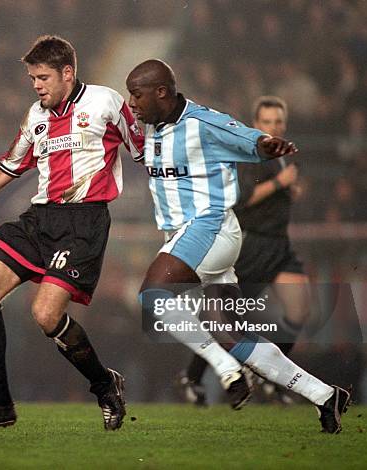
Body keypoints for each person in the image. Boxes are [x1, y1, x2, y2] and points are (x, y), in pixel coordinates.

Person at [126, 59, 351, 433]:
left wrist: (266, 144)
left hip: (208, 228)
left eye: (137, 95)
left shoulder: (201, 122)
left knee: (153, 296)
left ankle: (229, 372)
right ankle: (325, 396)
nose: (132, 103)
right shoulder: (151, 127)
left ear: (161, 92)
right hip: (193, 237)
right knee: (229, 333)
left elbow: (246, 137)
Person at [0, 36, 144, 431]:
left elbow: (144, 149)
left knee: (45, 314)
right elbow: (9, 165)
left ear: (67, 73)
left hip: (84, 222)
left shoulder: (105, 102)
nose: (36, 85)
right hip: (40, 218)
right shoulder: (36, 115)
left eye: (43, 77)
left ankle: (104, 385)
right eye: (33, 78)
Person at [181, 96, 310, 405]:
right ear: (256, 125)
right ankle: (192, 377)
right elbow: (240, 198)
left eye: (278, 122)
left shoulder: (279, 155)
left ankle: (270, 376)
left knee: (300, 308)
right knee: (224, 318)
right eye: (267, 122)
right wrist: (281, 183)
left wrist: (288, 189)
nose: (274, 127)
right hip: (252, 246)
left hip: (279, 244)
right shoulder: (250, 154)